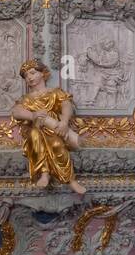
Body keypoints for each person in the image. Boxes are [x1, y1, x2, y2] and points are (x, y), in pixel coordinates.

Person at [11, 60, 86, 195]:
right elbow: (16, 111)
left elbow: (66, 105)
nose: (29, 77)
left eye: (33, 73)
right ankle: (44, 173)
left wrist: (64, 121)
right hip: (36, 129)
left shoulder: (54, 92)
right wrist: (33, 115)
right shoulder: (26, 99)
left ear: (43, 74)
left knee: (57, 145)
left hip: (55, 130)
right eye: (26, 76)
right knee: (34, 135)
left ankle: (71, 180)